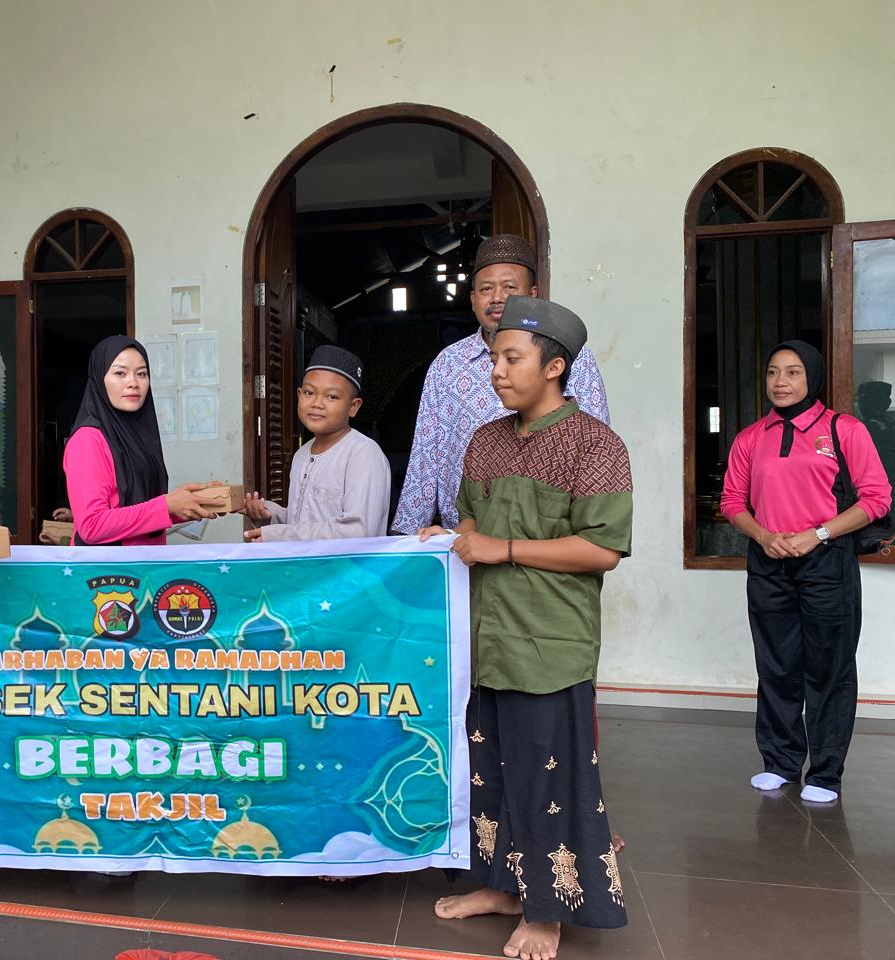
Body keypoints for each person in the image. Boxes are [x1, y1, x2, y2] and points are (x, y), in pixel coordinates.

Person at [421, 296, 633, 960]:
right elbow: (471, 524)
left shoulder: (596, 445)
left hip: (549, 644)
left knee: (548, 782)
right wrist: (449, 536)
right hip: (486, 639)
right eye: (494, 358)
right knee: (489, 773)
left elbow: (602, 548)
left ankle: (548, 909)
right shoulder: (485, 441)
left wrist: (501, 548)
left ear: (554, 366)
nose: (497, 371)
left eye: (512, 359)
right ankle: (502, 888)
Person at [721, 342, 891, 804]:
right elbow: (732, 502)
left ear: (811, 378)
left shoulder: (844, 429)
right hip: (768, 560)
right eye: (773, 372)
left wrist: (817, 534)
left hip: (826, 560)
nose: (780, 382)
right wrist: (762, 535)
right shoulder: (751, 437)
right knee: (776, 666)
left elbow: (876, 499)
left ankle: (825, 774)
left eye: (793, 372)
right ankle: (779, 762)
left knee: (829, 668)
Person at [392, 234, 609, 534]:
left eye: (509, 287)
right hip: (465, 536)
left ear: (532, 295)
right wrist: (407, 536)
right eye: (486, 289)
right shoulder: (447, 364)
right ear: (472, 299)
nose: (497, 298)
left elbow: (595, 441)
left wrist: (587, 531)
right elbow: (427, 454)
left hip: (549, 536)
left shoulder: (571, 355)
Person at [63, 334, 223, 546]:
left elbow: (141, 512)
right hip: (108, 566)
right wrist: (167, 505)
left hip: (147, 562)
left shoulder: (138, 437)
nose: (133, 383)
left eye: (142, 374)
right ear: (99, 379)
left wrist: (193, 502)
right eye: (120, 373)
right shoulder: (88, 439)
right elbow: (92, 526)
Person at [242, 345, 390, 541]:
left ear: (353, 407)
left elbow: (358, 531)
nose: (317, 403)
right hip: (303, 562)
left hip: (345, 563)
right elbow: (302, 523)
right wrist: (271, 516)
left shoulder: (363, 453)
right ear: (299, 395)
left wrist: (280, 535)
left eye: (332, 396)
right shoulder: (301, 454)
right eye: (309, 393)